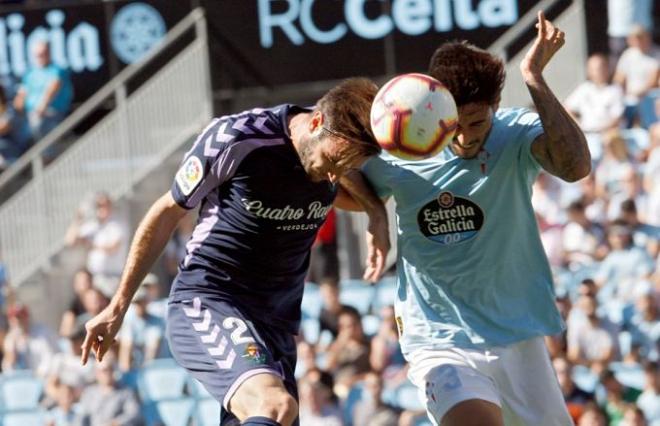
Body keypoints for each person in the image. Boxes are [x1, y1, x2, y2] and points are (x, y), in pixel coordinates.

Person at [80, 77, 390, 426]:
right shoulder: (239, 139)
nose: (334, 177)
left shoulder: (330, 160)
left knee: (274, 414)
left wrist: (376, 211)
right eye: (334, 161)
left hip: (275, 326)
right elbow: (166, 212)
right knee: (273, 406)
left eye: (348, 168)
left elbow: (347, 176)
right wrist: (118, 305)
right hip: (210, 300)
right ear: (316, 122)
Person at [355, 11, 591, 426]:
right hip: (440, 339)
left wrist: (534, 78)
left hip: (517, 337)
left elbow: (575, 167)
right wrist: (375, 211)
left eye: (477, 122)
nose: (464, 137)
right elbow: (341, 175)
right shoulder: (406, 147)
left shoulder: (515, 135)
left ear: (496, 107)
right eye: (453, 126)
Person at [13, 40, 73, 142]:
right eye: (38, 55)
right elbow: (21, 94)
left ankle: (47, 156)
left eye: (43, 53)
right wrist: (16, 110)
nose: (41, 57)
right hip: (30, 114)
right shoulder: (30, 73)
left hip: (52, 113)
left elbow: (54, 87)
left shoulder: (57, 70)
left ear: (49, 52)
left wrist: (42, 107)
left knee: (38, 123)